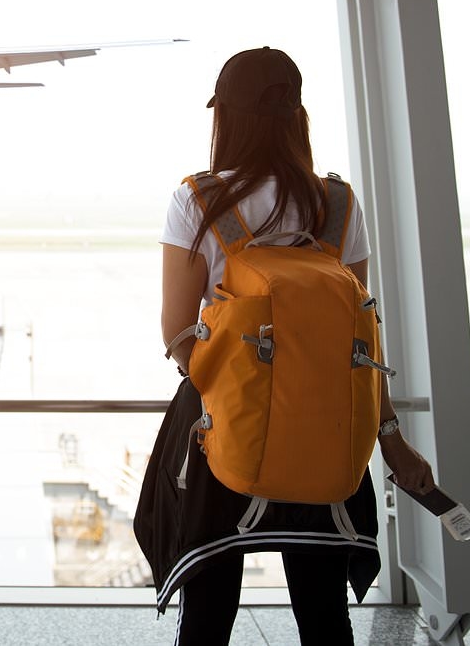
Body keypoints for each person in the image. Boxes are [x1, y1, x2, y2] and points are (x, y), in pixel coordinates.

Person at [135, 47, 436, 645]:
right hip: (324, 425)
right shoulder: (339, 205)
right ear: (298, 116)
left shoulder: (198, 200)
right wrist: (392, 441)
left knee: (209, 613)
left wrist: (244, 389)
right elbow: (362, 343)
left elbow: (176, 334)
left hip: (223, 424)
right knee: (324, 614)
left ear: (224, 116)